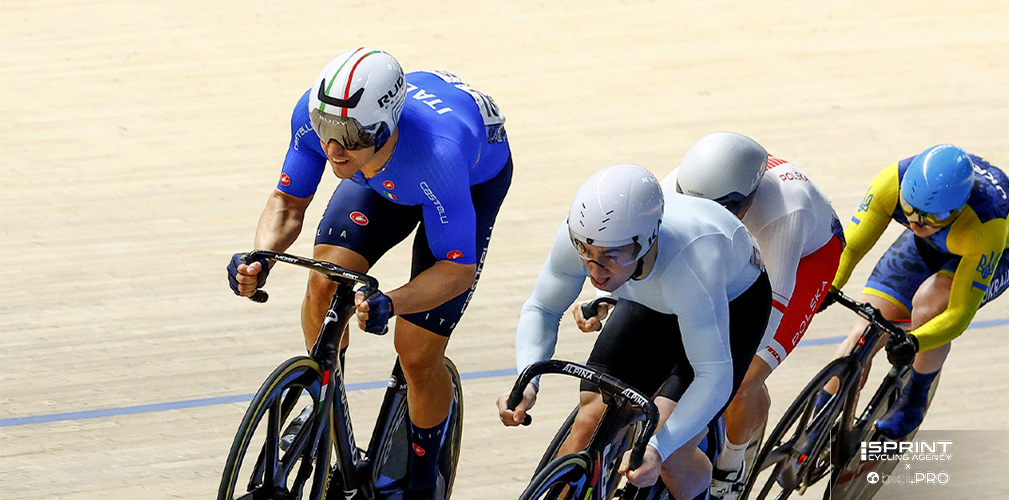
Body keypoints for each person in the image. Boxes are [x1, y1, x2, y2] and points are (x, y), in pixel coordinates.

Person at [226, 47, 512, 498]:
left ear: (386, 125)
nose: (332, 149)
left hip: (462, 183)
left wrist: (392, 302)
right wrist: (261, 255)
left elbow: (456, 270)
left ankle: (424, 478)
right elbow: (287, 203)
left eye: (350, 136)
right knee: (324, 282)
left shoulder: (440, 152)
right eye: (326, 131)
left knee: (416, 353)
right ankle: (322, 395)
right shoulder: (318, 118)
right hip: (379, 176)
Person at [496, 164, 772, 499]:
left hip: (731, 304)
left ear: (645, 242)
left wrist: (658, 448)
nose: (595, 272)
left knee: (672, 455)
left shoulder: (690, 267)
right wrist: (527, 380)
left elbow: (713, 375)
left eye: (610, 257)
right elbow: (542, 308)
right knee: (590, 418)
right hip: (653, 294)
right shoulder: (582, 238)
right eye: (586, 253)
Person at [663, 132, 846, 499]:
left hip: (807, 257)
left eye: (723, 208)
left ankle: (732, 465)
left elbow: (772, 308)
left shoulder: (787, 209)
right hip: (741, 240)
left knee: (742, 379)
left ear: (748, 198)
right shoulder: (672, 188)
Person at [821, 144, 1008, 440]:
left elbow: (959, 313)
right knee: (863, 331)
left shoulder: (987, 226)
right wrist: (830, 287)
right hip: (934, 243)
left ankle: (914, 400)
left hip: (989, 254)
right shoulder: (891, 183)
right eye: (909, 209)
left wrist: (916, 341)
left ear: (957, 210)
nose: (916, 222)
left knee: (929, 306)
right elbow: (851, 247)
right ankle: (818, 421)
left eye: (932, 217)